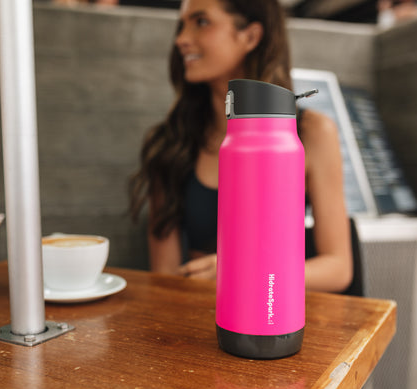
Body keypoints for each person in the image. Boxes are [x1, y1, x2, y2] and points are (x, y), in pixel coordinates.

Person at [129, 0, 353, 293]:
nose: (181, 39)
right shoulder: (168, 142)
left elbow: (338, 268)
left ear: (250, 36)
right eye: (182, 25)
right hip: (202, 313)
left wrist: (243, 272)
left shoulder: (311, 133)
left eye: (201, 21)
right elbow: (166, 277)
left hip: (277, 313)